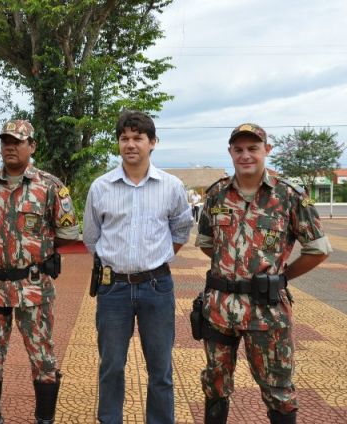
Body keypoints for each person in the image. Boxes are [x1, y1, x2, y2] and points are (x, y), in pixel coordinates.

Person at [194, 123, 332, 424]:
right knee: (214, 384)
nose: (245, 155)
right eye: (239, 149)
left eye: (253, 148)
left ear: (266, 150)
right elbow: (207, 243)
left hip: (266, 311)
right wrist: (230, 266)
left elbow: (318, 249)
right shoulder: (216, 194)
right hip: (219, 309)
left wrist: (281, 277)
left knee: (278, 390)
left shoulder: (290, 195)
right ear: (230, 152)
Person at [83, 110, 194, 424]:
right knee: (111, 366)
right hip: (113, 288)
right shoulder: (101, 187)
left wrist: (155, 259)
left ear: (153, 142)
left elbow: (181, 230)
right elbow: (91, 238)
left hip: (156, 288)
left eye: (138, 138)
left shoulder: (171, 186)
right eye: (124, 138)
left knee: (160, 369)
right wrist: (117, 262)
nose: (130, 144)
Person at [0, 119, 79, 424]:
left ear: (32, 146)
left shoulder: (50, 186)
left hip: (33, 286)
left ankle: (44, 418)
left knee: (42, 355)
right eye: (5, 141)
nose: (10, 147)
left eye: (17, 141)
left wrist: (34, 251)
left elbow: (68, 234)